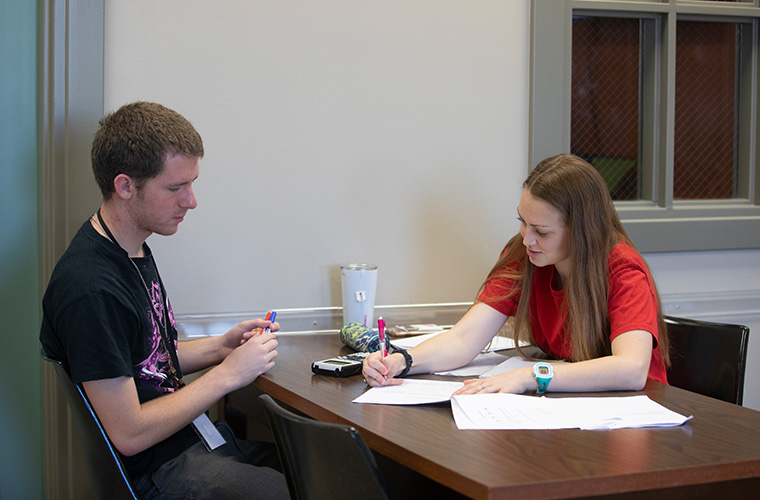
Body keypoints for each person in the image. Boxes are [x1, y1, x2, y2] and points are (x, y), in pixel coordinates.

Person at [40, 102, 290, 500]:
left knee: (323, 470)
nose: (190, 201)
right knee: (311, 485)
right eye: (175, 188)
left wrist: (219, 348)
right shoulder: (90, 288)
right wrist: (227, 375)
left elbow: (144, 361)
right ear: (125, 187)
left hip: (190, 443)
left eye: (191, 184)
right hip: (161, 470)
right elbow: (129, 433)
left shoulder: (131, 248)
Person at [363, 154, 670, 395]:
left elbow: (631, 369)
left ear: (582, 231)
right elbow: (464, 338)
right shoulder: (525, 256)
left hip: (634, 415)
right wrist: (401, 361)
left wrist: (531, 375)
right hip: (573, 406)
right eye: (523, 221)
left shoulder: (623, 270)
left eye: (542, 231)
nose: (527, 239)